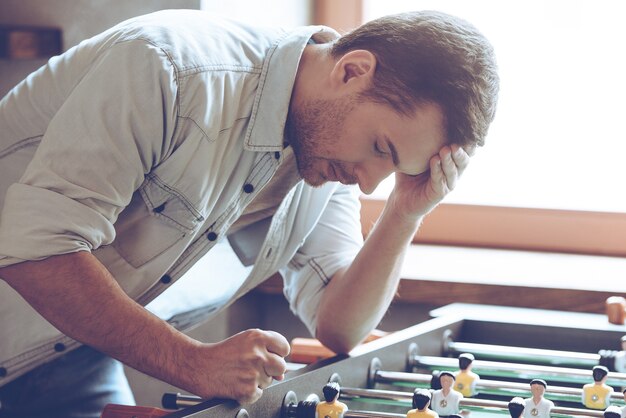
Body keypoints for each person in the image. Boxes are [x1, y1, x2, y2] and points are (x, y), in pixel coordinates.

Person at [0, 7, 499, 418]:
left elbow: (338, 326)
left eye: (393, 170)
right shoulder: (170, 66)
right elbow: (38, 247)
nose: (367, 180)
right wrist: (192, 363)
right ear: (351, 71)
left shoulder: (325, 159)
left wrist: (404, 213)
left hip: (68, 357)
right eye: (380, 148)